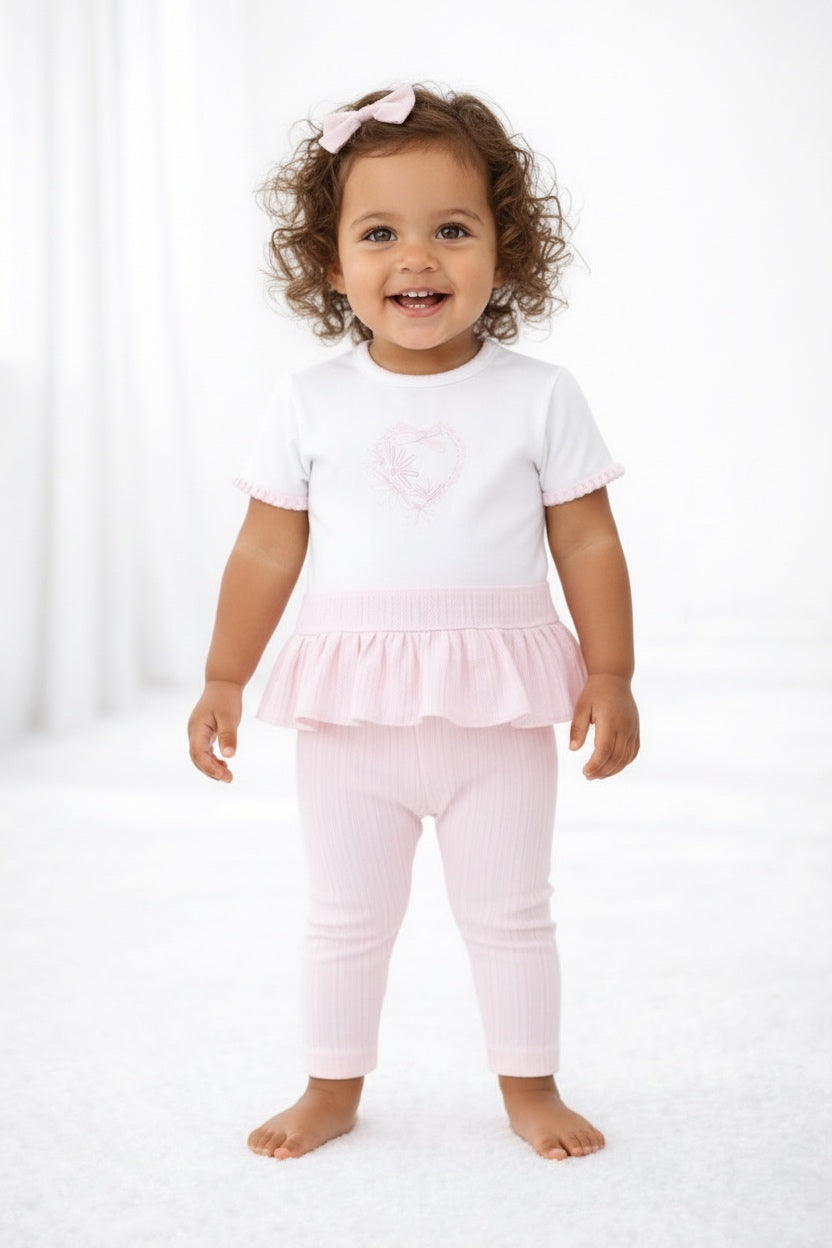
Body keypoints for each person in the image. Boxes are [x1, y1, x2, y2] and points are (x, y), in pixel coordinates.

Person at [187, 83, 640, 1163]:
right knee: (346, 916)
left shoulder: (539, 394)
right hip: (353, 718)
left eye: (452, 230)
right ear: (330, 261)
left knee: (512, 911)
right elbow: (266, 549)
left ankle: (530, 1086)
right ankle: (330, 1087)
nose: (417, 260)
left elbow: (586, 541)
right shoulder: (310, 400)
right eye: (380, 234)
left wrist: (612, 671)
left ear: (505, 247)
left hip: (499, 713)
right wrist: (224, 676)